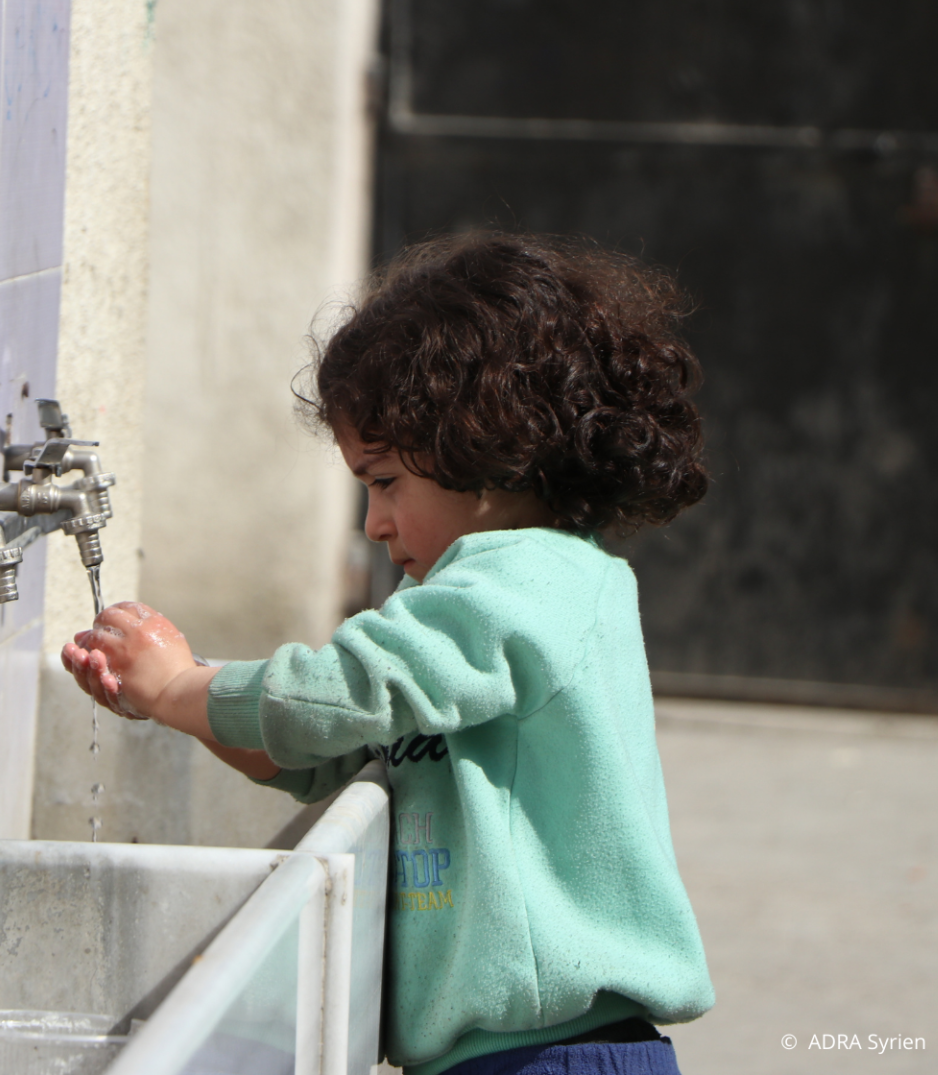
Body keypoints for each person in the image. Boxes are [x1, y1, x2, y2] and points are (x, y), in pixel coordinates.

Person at [62, 232, 715, 1075]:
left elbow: (339, 694)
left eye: (384, 482)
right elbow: (325, 745)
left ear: (480, 444)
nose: (372, 524)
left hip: (553, 1057)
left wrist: (187, 684)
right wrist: (169, 703)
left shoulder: (531, 581)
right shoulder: (460, 600)